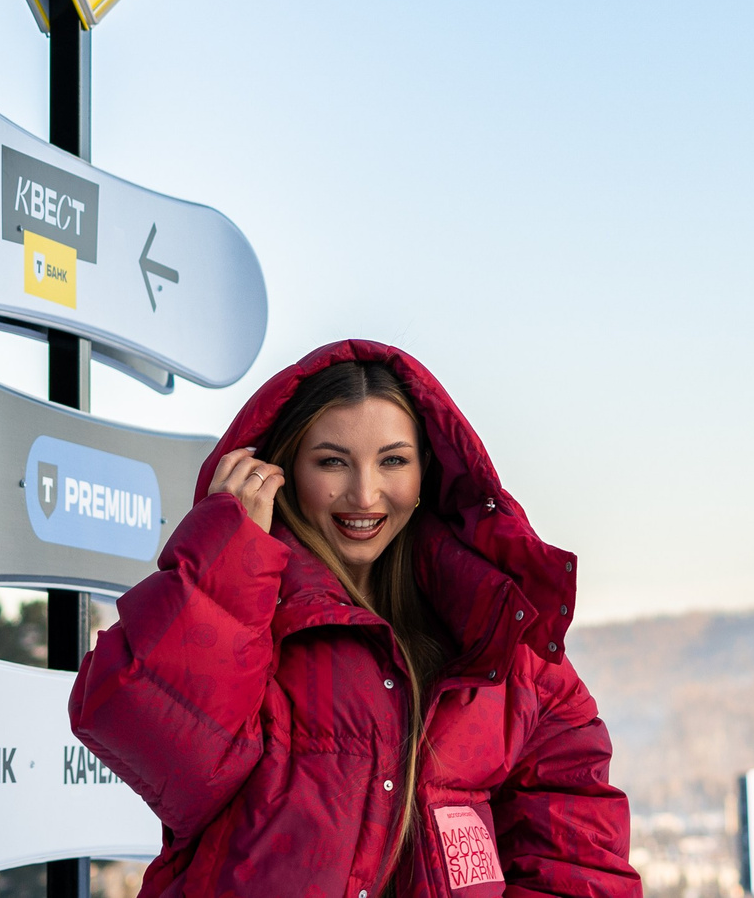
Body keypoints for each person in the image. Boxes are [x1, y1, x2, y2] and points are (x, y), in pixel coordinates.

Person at [72, 340, 639, 898]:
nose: (365, 494)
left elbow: (574, 853)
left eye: (393, 460)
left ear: (426, 476)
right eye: (332, 462)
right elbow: (163, 747)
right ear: (283, 468)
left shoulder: (498, 640)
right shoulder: (247, 611)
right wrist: (226, 555)